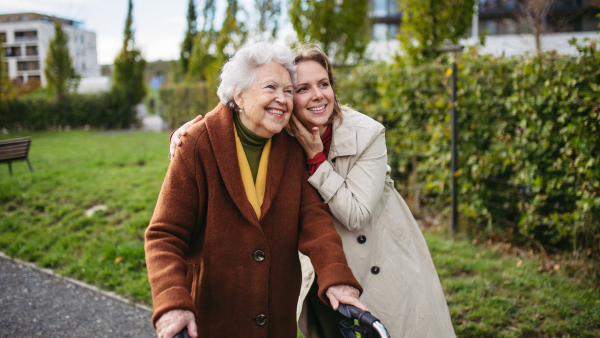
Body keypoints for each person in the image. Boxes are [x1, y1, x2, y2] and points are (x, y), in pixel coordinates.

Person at [170, 45, 456, 338]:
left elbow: (354, 215)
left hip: (379, 262)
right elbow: (243, 110)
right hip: (322, 266)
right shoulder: (282, 132)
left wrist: (317, 160)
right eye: (302, 88)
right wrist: (188, 136)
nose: (317, 94)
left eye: (324, 84)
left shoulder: (367, 133)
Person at [145, 42, 367, 338]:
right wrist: (172, 302)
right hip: (212, 321)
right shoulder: (197, 145)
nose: (283, 99)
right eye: (271, 88)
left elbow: (315, 221)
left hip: (276, 321)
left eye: (288, 90)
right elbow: (165, 235)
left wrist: (337, 278)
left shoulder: (290, 148)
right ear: (239, 93)